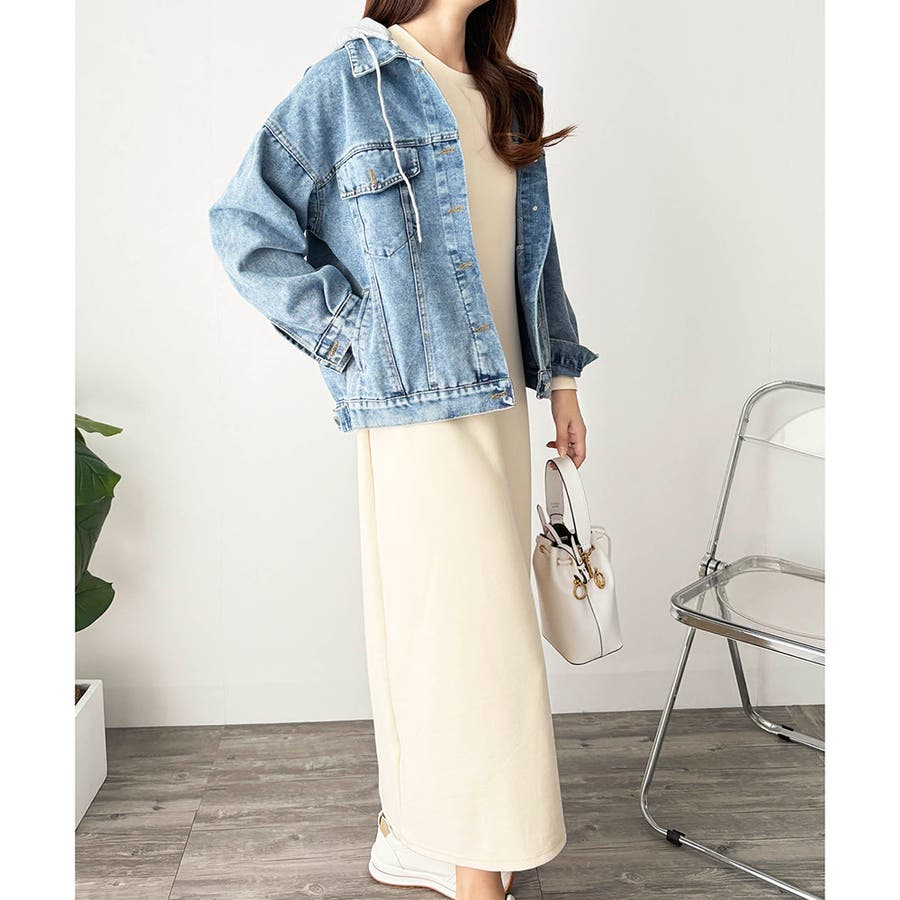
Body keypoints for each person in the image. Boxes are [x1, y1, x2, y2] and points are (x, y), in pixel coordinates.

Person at [208, 2, 598, 897]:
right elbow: (243, 225)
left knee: (444, 630)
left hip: (499, 403)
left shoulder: (508, 92)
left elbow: (536, 252)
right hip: (420, 409)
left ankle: (417, 830)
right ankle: (475, 871)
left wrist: (564, 379)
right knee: (471, 636)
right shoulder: (352, 83)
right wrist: (352, 335)